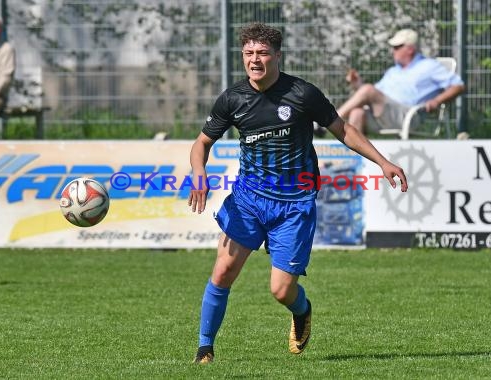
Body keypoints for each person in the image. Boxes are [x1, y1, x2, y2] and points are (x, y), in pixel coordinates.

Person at [188, 22, 408, 364]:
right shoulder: (233, 99)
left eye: (262, 53)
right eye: (248, 54)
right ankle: (205, 348)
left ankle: (302, 310)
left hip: (294, 204)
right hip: (248, 200)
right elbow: (202, 144)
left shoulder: (302, 94)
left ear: (277, 55)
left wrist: (383, 161)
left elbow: (344, 129)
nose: (255, 60)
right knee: (223, 272)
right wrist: (199, 173)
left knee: (281, 290)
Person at [335, 29, 467, 139]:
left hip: (408, 115)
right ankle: (356, 163)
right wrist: (357, 84)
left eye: (397, 47)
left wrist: (437, 101)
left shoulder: (429, 66)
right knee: (357, 113)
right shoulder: (393, 71)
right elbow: (373, 96)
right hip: (386, 114)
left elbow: (459, 86)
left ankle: (328, 121)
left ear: (410, 49)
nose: (393, 51)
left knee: (368, 90)